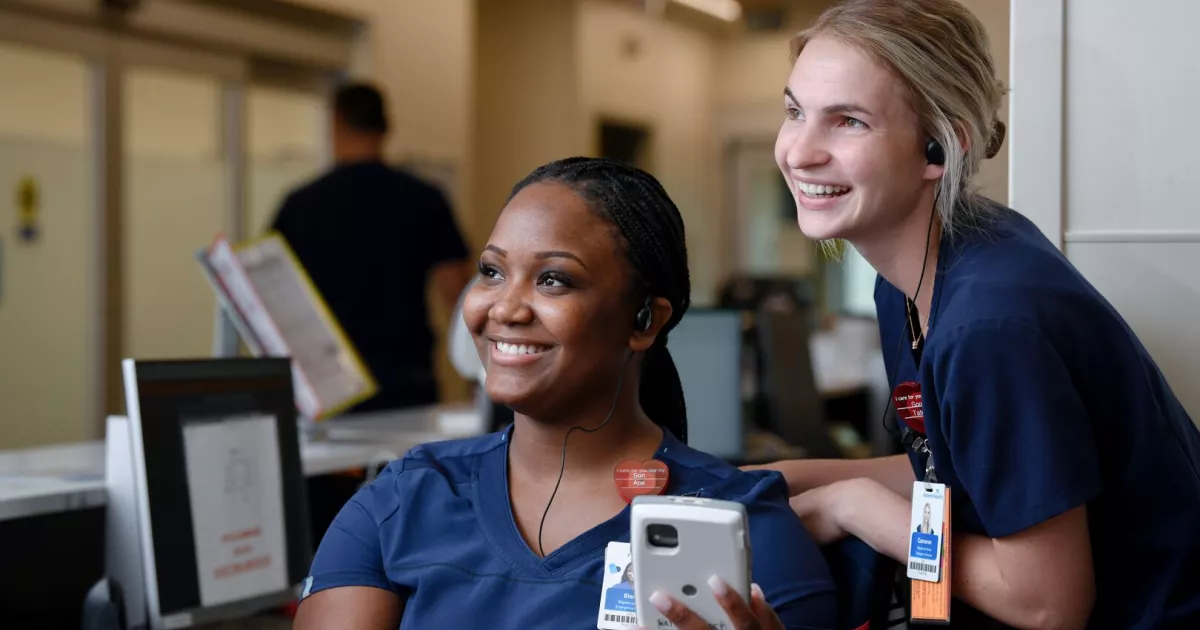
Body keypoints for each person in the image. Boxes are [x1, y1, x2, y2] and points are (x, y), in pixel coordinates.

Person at [752, 1, 1200, 628]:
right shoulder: (922, 272)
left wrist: (854, 507)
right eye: (795, 111)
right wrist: (765, 482)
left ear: (941, 146)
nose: (799, 152)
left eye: (848, 121)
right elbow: (952, 467)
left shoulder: (988, 325)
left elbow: (1048, 604)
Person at [293, 157, 837, 629]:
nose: (504, 308)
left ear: (645, 321)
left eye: (553, 279)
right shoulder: (403, 499)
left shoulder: (747, 532)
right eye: (491, 271)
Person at [270, 82, 472, 413]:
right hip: (406, 378)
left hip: (327, 382)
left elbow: (274, 299)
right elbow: (457, 292)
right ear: (386, 126)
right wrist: (478, 372)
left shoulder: (301, 204)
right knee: (407, 465)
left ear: (335, 122)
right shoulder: (423, 198)